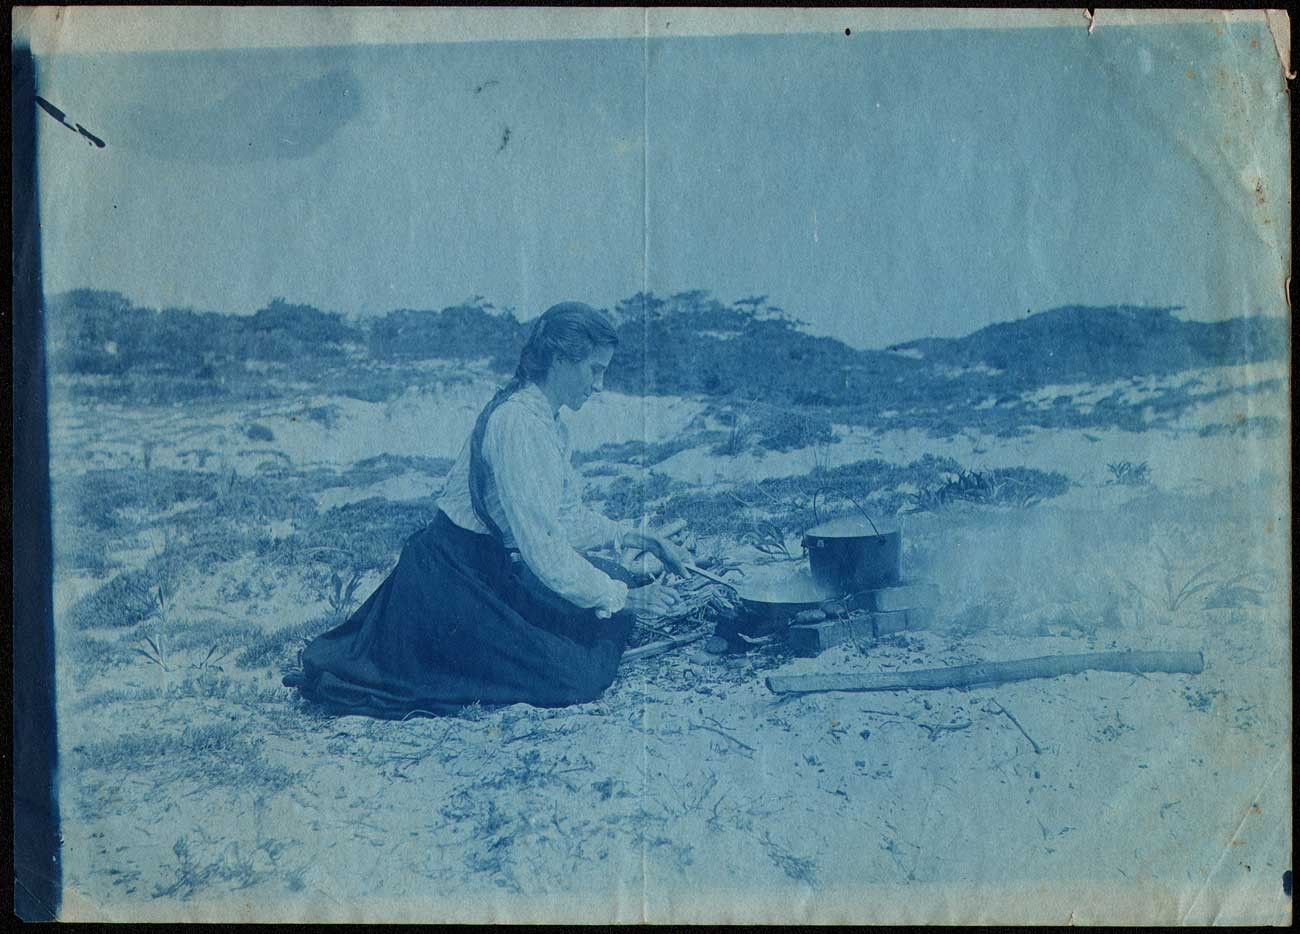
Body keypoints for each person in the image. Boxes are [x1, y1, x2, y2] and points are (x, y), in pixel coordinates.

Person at [287, 302, 690, 718]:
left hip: (486, 564)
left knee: (608, 596)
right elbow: (543, 549)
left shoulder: (549, 422)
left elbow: (562, 520)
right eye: (594, 369)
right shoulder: (517, 424)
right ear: (558, 360)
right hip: (448, 578)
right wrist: (623, 598)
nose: (600, 384)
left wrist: (637, 537)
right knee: (575, 676)